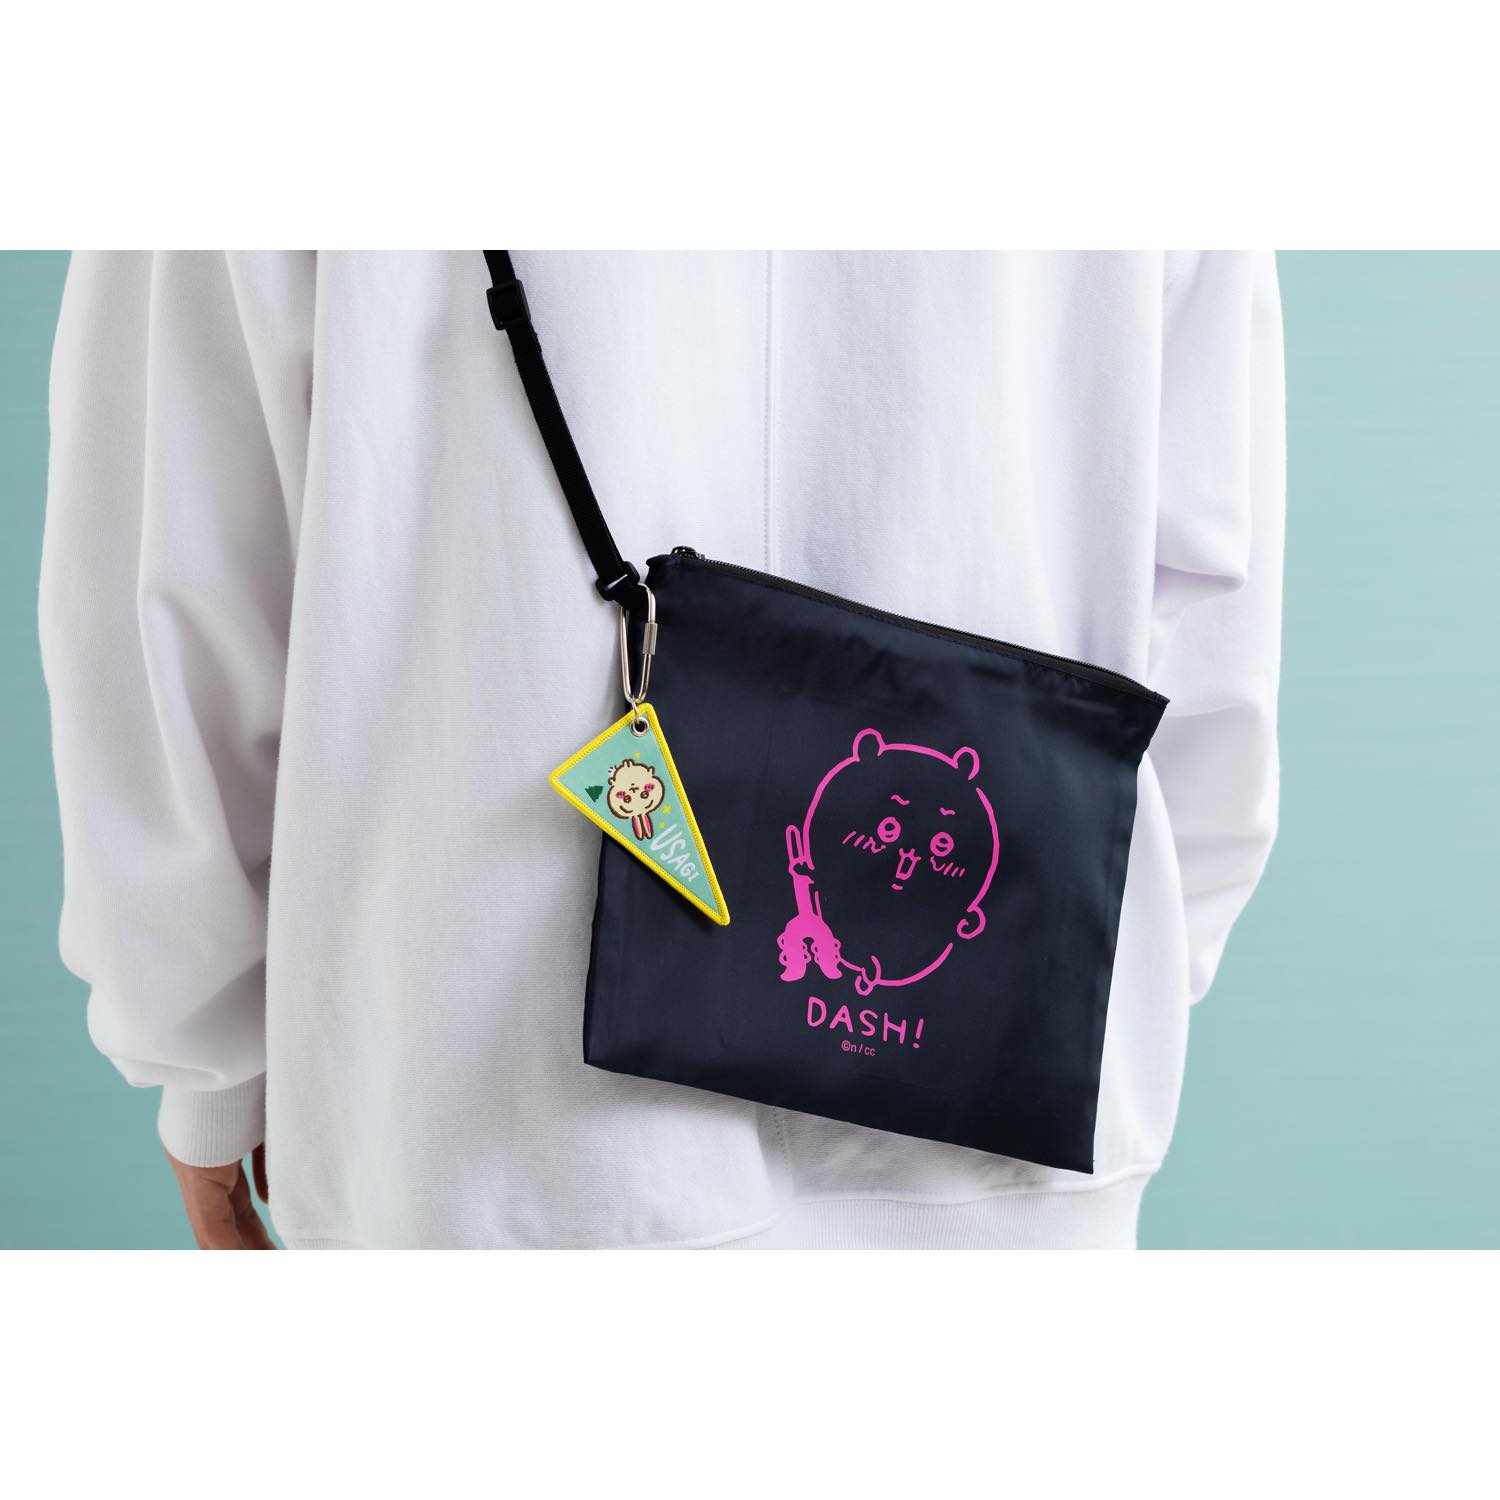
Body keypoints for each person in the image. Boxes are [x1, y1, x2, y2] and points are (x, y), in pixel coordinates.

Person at [40, 251, 1284, 1249]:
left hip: (480, 1118)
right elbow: (1210, 601)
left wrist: (202, 1055)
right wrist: (1108, 978)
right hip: (1011, 1131)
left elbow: (175, 559)